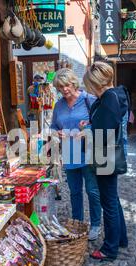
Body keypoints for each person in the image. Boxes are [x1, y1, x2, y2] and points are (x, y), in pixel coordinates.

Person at [83, 61, 128, 261]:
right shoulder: (113, 95)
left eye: (89, 84)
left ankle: (110, 248)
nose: (88, 89)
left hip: (105, 153)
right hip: (107, 152)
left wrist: (86, 133)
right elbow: (105, 122)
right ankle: (121, 238)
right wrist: (91, 123)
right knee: (112, 199)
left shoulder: (109, 98)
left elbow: (105, 131)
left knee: (108, 201)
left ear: (96, 83)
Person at [50, 68, 103, 241]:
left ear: (74, 83)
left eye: (67, 85)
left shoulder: (89, 99)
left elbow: (101, 124)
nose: (64, 89)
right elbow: (53, 127)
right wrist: (57, 134)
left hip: (87, 152)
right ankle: (78, 222)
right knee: (74, 192)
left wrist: (87, 129)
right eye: (60, 87)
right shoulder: (59, 105)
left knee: (92, 190)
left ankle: (95, 224)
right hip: (69, 153)